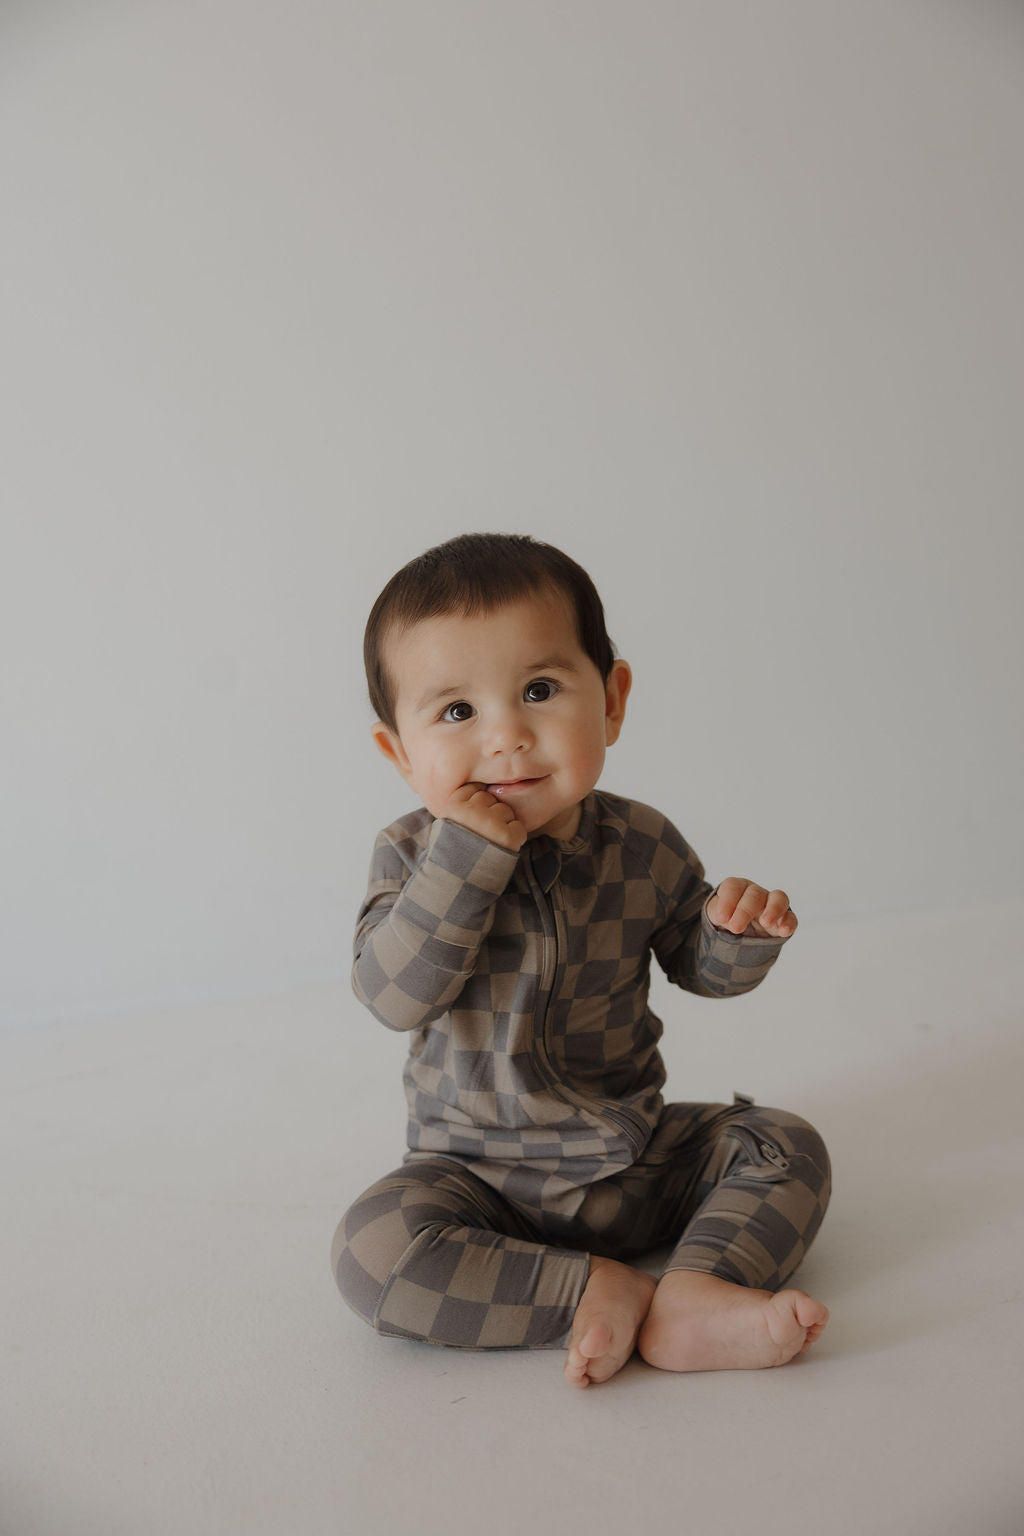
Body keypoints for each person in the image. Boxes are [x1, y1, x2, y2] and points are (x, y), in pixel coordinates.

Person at [331, 532, 831, 1388]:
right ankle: (596, 1289)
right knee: (371, 1250)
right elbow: (391, 995)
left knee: (781, 1143)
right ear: (400, 753)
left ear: (611, 701)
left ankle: (696, 1293)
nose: (507, 738)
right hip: (478, 1181)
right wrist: (463, 860)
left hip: (635, 1158)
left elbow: (693, 963)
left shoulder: (640, 843)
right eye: (457, 713)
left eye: (538, 690)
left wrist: (734, 937)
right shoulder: (411, 855)